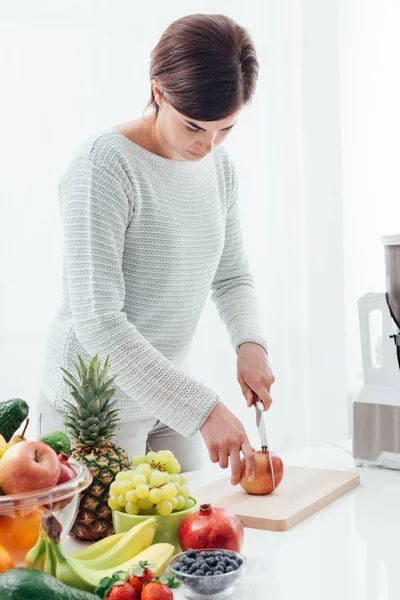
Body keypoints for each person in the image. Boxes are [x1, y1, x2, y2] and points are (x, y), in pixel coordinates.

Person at [37, 13, 275, 485]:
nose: (208, 145)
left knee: (186, 533)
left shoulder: (218, 168)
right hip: (94, 408)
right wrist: (203, 409)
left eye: (224, 128)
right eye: (194, 127)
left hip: (169, 395)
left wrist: (249, 342)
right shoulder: (102, 168)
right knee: (105, 550)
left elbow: (232, 276)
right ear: (159, 92)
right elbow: (99, 324)